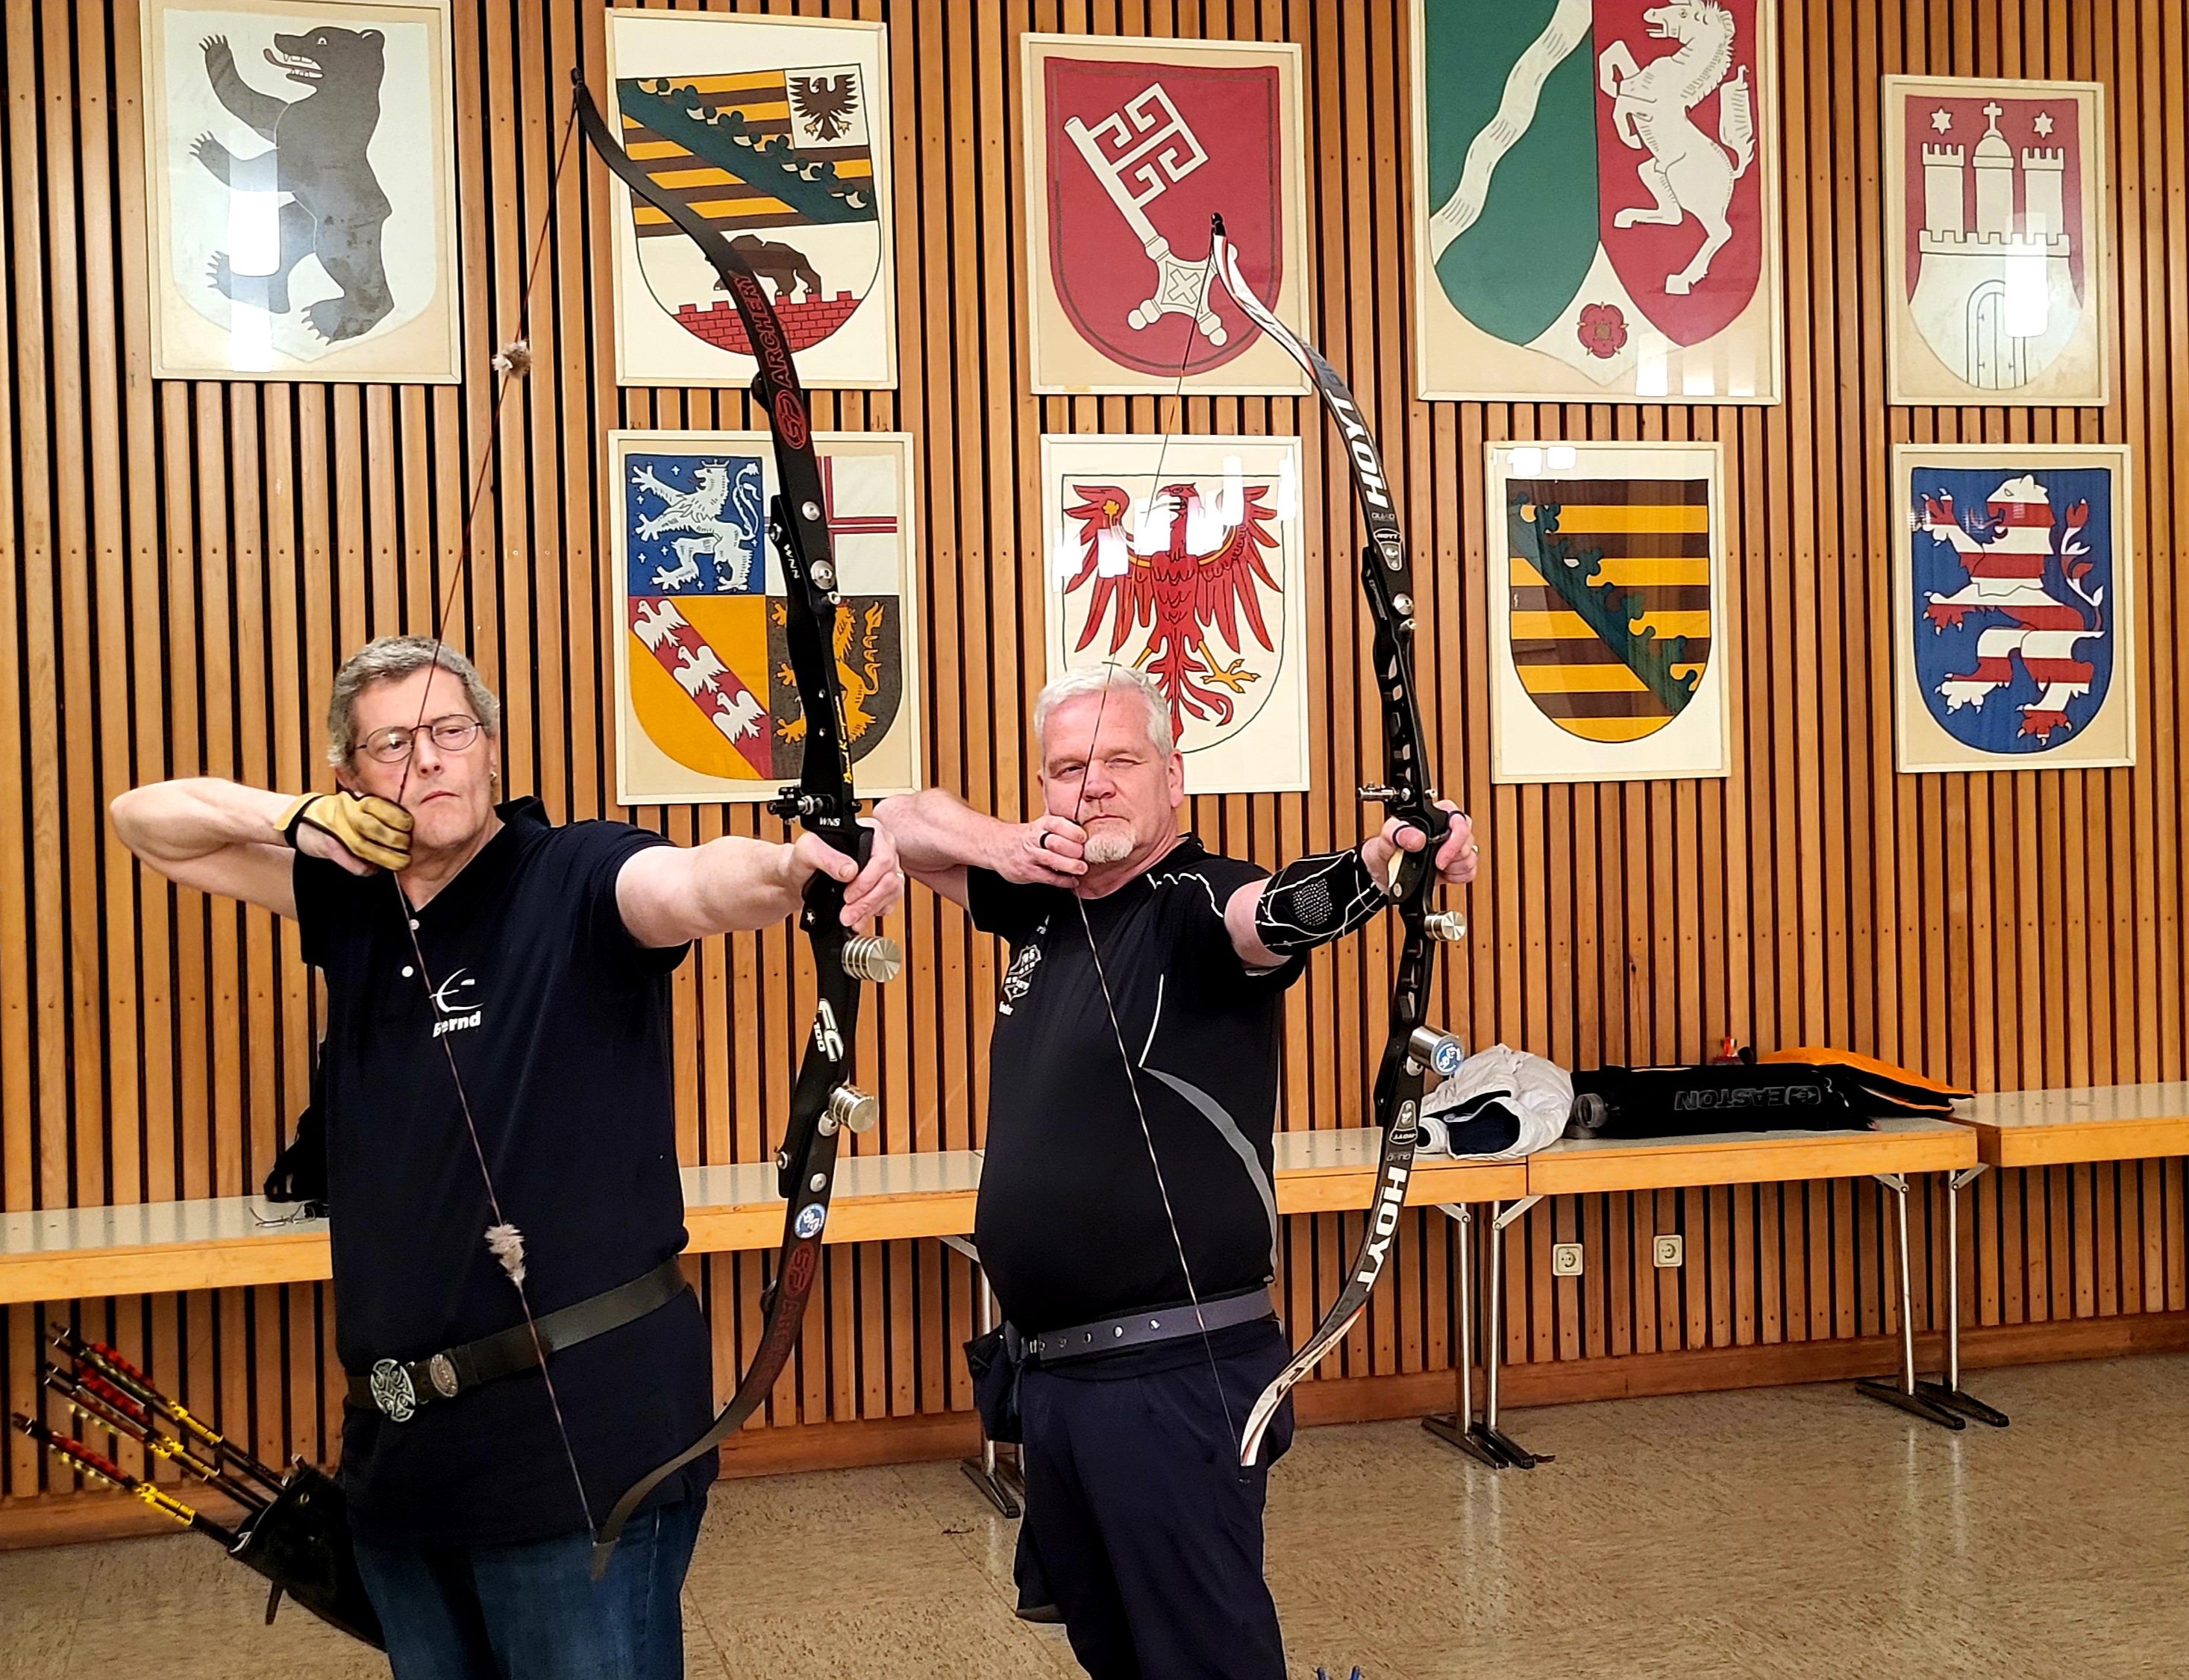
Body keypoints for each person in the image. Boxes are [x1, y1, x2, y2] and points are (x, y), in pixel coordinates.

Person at [110, 635, 902, 1680]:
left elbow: (697, 886)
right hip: (401, 1457)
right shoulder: (351, 897)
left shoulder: (573, 873)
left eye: (450, 732)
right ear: (351, 777)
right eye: (392, 744)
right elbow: (144, 821)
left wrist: (794, 872)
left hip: (573, 1446)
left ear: (490, 750)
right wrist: (296, 819)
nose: (428, 760)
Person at [873, 665, 1477, 1680]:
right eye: (1068, 768)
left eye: (1120, 762)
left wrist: (1382, 863)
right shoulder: (1040, 905)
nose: (1094, 785)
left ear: (1174, 777)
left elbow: (1277, 911)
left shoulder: (1194, 903)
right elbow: (898, 818)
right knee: (1119, 1657)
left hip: (1170, 1378)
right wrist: (1012, 845)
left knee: (1205, 1660)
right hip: (1057, 1379)